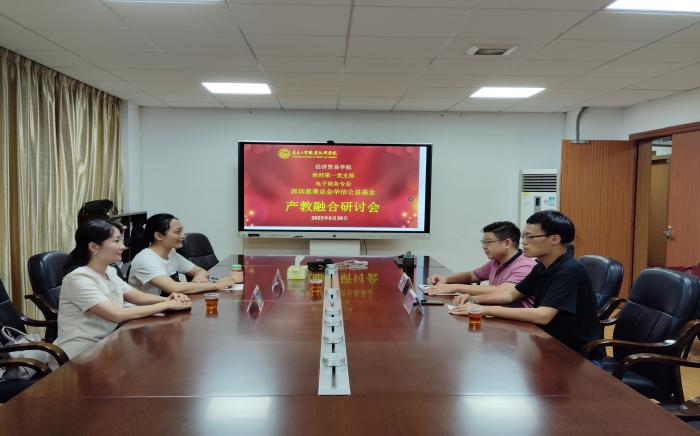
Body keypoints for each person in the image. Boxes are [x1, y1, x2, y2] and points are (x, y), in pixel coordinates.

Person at [449, 210, 600, 353]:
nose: (523, 242)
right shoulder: (542, 267)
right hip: (545, 340)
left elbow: (543, 315)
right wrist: (474, 300)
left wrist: (484, 310)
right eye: (523, 237)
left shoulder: (569, 271)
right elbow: (511, 295)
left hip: (572, 352)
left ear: (554, 239)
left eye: (529, 237)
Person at [55, 220, 192, 359]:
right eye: (116, 241)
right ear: (94, 247)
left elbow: (138, 297)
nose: (123, 246)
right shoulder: (78, 279)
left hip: (108, 343)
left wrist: (167, 299)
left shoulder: (109, 271)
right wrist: (167, 305)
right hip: (81, 353)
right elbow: (117, 314)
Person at [426, 221, 537, 307]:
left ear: (507, 243)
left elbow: (504, 291)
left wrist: (454, 287)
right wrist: (446, 279)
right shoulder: (495, 262)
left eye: (488, 242)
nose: (484, 246)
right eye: (483, 242)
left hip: (521, 325)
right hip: (496, 314)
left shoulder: (525, 266)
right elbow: (471, 276)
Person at [129, 213, 235, 295]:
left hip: (166, 308)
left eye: (182, 231)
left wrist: (198, 279)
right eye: (178, 232)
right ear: (158, 236)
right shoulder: (146, 259)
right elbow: (174, 288)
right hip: (144, 314)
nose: (183, 236)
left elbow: (201, 271)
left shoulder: (171, 254)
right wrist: (217, 285)